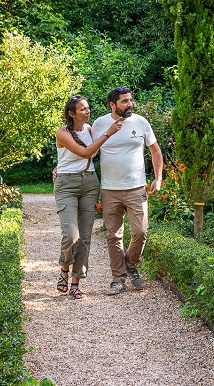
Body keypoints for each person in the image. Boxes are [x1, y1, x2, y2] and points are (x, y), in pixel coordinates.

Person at [92, 86, 163, 295]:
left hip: (135, 188)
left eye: (130, 100)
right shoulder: (99, 124)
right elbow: (88, 151)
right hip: (110, 189)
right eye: (124, 101)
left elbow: (156, 151)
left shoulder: (141, 122)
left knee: (140, 232)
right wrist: (63, 165)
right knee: (113, 236)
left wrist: (158, 179)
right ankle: (118, 279)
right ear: (112, 105)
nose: (130, 104)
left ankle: (131, 265)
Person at [54, 94, 123, 299]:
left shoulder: (91, 129)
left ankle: (75, 282)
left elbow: (97, 151)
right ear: (71, 113)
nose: (87, 111)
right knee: (71, 236)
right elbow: (85, 153)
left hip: (90, 183)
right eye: (82, 109)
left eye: (88, 108)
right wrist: (108, 133)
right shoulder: (62, 133)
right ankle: (64, 269)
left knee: (84, 237)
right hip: (67, 184)